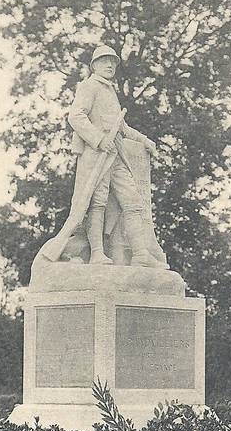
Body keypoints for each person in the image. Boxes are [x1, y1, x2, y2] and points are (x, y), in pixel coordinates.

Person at [32, 44, 168, 270]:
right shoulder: (89, 87)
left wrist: (145, 141)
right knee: (97, 203)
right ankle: (96, 253)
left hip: (115, 155)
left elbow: (122, 127)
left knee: (133, 203)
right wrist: (98, 139)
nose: (109, 65)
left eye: (113, 62)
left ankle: (141, 255)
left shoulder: (110, 91)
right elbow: (76, 116)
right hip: (96, 155)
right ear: (94, 65)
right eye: (104, 61)